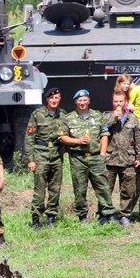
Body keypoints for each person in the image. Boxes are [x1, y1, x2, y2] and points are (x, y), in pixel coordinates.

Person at [58, 89, 120, 223]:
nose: (82, 103)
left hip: (96, 157)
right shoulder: (68, 118)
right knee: (80, 188)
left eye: (85, 100)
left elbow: (104, 135)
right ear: (75, 101)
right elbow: (62, 137)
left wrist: (103, 154)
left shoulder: (98, 116)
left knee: (103, 187)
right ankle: (82, 217)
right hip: (78, 158)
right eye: (80, 100)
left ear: (89, 101)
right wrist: (77, 141)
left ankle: (108, 214)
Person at [103, 90, 140, 227]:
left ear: (125, 102)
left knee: (128, 189)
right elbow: (101, 129)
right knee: (105, 189)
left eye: (121, 101)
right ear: (112, 102)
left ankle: (124, 215)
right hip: (110, 159)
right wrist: (114, 117)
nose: (118, 104)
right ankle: (105, 214)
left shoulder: (132, 118)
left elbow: (138, 139)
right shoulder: (106, 116)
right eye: (116, 101)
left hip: (128, 159)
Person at [27, 87, 65, 229]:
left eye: (56, 98)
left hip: (56, 156)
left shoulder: (63, 115)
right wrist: (31, 159)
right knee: (40, 189)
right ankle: (36, 219)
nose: (54, 101)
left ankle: (51, 218)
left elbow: (67, 134)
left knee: (55, 189)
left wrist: (65, 148)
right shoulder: (37, 114)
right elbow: (29, 138)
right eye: (51, 98)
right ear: (47, 99)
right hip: (40, 155)